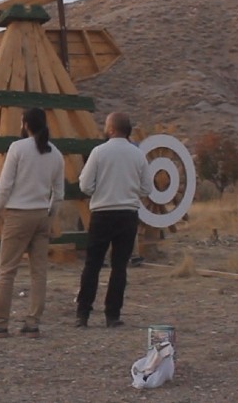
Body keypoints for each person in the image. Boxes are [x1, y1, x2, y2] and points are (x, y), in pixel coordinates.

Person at [0, 108, 65, 338]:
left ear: (26, 124)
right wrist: (50, 216)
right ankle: (33, 322)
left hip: (18, 215)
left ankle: (0, 322)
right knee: (39, 272)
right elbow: (59, 193)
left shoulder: (17, 148)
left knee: (7, 270)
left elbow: (5, 185)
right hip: (41, 214)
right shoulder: (56, 154)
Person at [75, 112, 153, 328]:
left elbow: (85, 185)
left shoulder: (99, 152)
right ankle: (113, 315)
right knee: (119, 267)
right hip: (127, 214)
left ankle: (83, 313)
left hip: (102, 213)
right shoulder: (138, 154)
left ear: (111, 129)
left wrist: (99, 191)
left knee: (93, 264)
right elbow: (147, 187)